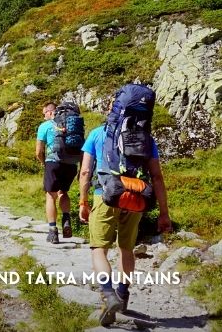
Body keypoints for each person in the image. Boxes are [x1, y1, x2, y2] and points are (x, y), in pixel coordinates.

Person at [78, 97, 172, 326]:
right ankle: (123, 294)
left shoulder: (97, 134)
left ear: (114, 109)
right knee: (126, 249)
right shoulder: (147, 139)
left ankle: (108, 294)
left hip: (105, 196)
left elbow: (85, 173)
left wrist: (83, 202)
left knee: (99, 249)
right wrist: (164, 213)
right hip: (136, 198)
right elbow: (157, 177)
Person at [36, 102, 78, 244]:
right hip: (71, 164)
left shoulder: (45, 126)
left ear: (50, 112)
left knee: (51, 196)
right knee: (63, 192)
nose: (43, 117)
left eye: (44, 113)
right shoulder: (72, 123)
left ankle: (53, 231)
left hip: (53, 162)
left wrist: (43, 162)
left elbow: (38, 151)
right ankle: (66, 219)